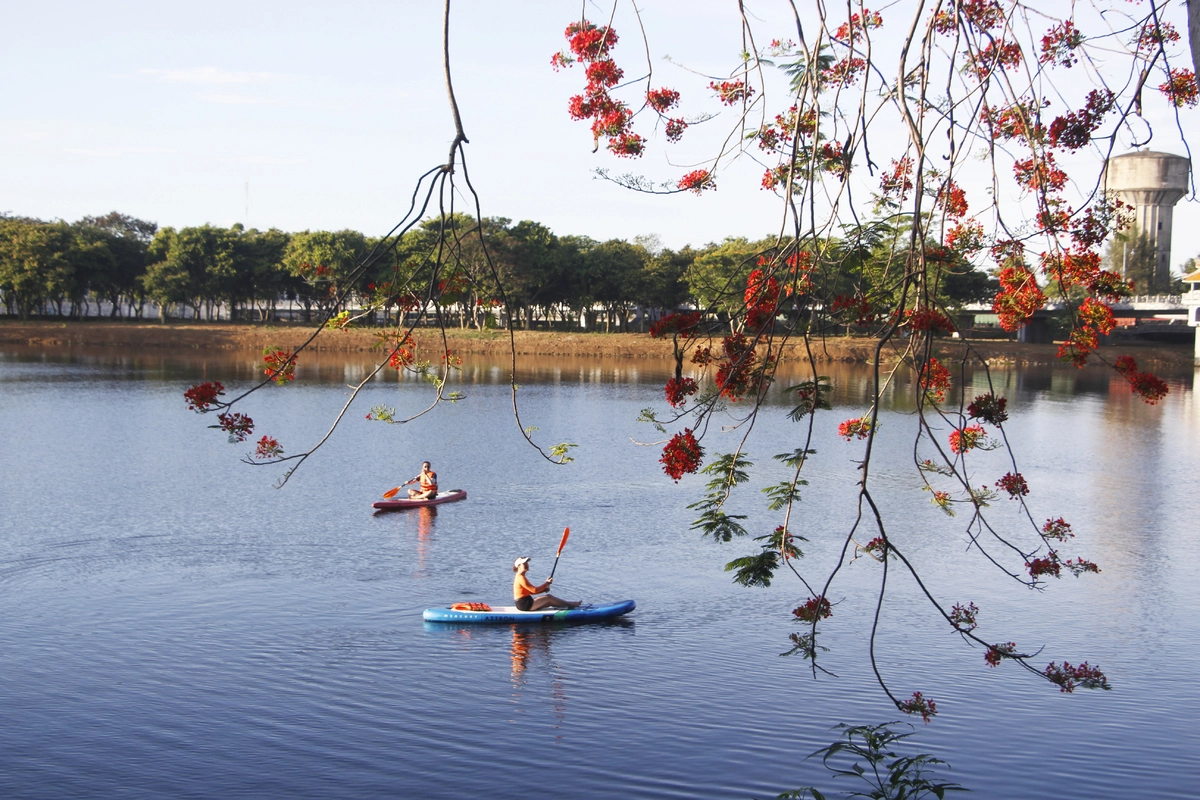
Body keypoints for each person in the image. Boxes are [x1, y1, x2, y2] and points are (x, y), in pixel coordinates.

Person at [512, 556, 580, 611]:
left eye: (527, 563)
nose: (527, 565)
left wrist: (543, 590)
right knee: (549, 597)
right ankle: (571, 605)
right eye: (524, 564)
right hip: (525, 604)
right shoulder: (521, 578)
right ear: (519, 566)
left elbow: (530, 592)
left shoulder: (520, 576)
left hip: (524, 603)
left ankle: (567, 606)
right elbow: (534, 590)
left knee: (549, 602)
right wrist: (546, 583)